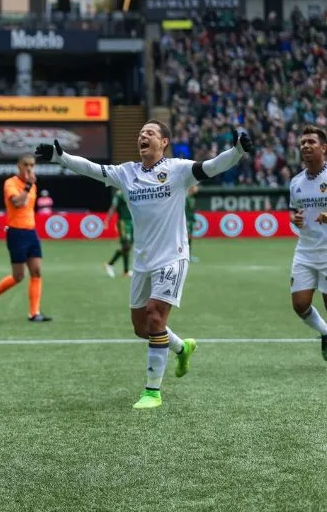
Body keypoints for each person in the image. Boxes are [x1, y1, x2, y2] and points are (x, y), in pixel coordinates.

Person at [36, 120, 253, 409]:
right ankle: (182, 347)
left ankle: (152, 391)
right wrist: (60, 157)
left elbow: (212, 166)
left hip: (172, 257)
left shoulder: (178, 170)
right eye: (140, 134)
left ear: (164, 142)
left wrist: (237, 151)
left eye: (150, 133)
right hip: (143, 262)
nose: (143, 136)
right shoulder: (126, 173)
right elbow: (91, 168)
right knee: (142, 328)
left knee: (154, 316)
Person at [0, 154, 52, 323]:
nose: (29, 168)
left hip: (31, 232)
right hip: (16, 233)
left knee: (36, 271)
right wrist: (27, 186)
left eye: (32, 165)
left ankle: (34, 313)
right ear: (18, 166)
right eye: (26, 164)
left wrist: (29, 185)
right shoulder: (11, 183)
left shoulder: (32, 185)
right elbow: (17, 203)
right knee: (18, 276)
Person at [288, 125, 327, 360]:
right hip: (305, 249)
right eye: (303, 143)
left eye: (311, 142)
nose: (305, 146)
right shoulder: (296, 183)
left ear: (323, 148)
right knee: (299, 305)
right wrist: (297, 220)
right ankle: (324, 332)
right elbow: (295, 215)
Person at [103, 189, 133, 278]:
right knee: (126, 245)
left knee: (128, 247)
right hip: (124, 222)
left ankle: (125, 271)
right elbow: (113, 207)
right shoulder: (119, 194)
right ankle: (110, 264)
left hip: (133, 222)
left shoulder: (132, 190)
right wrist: (107, 220)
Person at [186, 185, 199, 262]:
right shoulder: (186, 198)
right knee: (187, 238)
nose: (197, 188)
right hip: (187, 221)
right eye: (195, 187)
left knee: (190, 238)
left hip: (191, 221)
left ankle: (189, 255)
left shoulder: (192, 198)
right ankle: (187, 255)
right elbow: (186, 211)